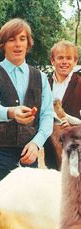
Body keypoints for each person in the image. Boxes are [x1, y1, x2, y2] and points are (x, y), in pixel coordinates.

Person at [0, 18, 53, 192]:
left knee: (26, 211)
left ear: (28, 43)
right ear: (3, 44)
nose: (18, 44)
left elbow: (47, 116)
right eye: (12, 39)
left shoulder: (40, 78)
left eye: (22, 38)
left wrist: (36, 144)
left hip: (29, 154)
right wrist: (11, 112)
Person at [44, 40, 81, 169]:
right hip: (51, 147)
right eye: (60, 58)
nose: (64, 62)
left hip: (76, 148)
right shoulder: (45, 84)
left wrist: (74, 124)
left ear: (75, 62)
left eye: (69, 58)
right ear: (52, 61)